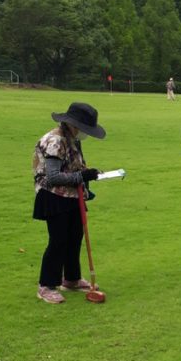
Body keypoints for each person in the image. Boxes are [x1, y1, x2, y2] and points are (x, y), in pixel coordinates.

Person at [32, 102, 105, 304]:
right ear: (73, 125)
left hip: (73, 195)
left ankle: (72, 278)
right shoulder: (55, 141)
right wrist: (81, 176)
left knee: (75, 236)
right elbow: (54, 177)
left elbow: (75, 166)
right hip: (53, 196)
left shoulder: (72, 139)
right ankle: (46, 285)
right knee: (58, 240)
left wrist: (87, 178)